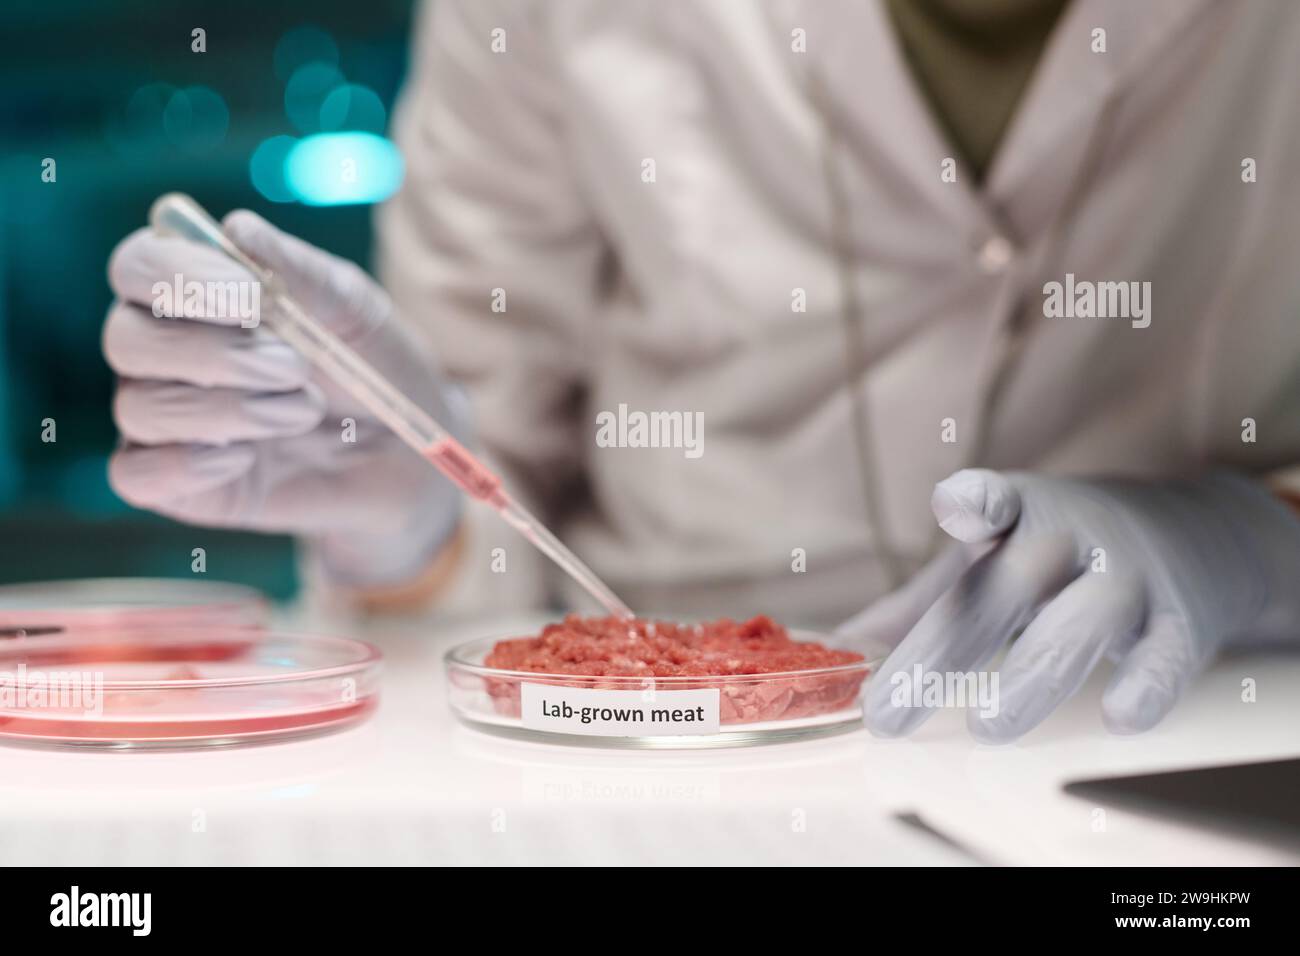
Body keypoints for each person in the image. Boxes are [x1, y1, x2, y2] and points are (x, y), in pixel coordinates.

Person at [102, 0, 1300, 742]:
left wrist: (1257, 540)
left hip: (1187, 724)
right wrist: (408, 519)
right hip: (641, 751)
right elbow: (490, 484)